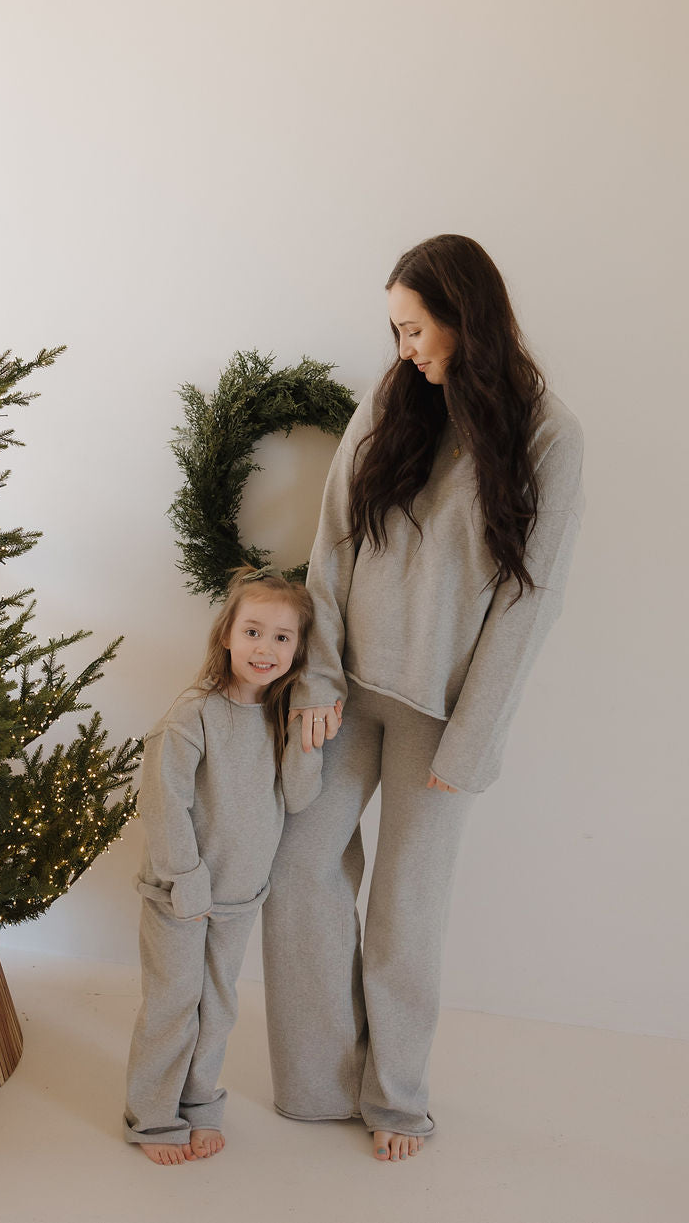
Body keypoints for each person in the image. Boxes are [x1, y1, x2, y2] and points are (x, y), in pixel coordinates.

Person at [262, 234, 584, 1163]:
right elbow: (331, 546)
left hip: (441, 716)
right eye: (396, 330)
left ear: (463, 316)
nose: (405, 348)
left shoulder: (551, 437)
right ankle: (321, 1081)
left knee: (405, 908)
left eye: (415, 328)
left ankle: (397, 1096)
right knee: (299, 868)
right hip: (348, 691)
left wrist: (472, 740)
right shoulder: (394, 399)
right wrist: (316, 676)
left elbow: (532, 603)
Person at [124, 565, 327, 1164]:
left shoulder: (276, 719)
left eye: (282, 637)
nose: (266, 648)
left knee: (218, 1008)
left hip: (241, 897)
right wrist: (186, 882)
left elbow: (297, 801)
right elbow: (161, 802)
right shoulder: (192, 715)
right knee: (173, 1006)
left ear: (298, 649)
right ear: (227, 637)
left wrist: (307, 742)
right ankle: (154, 1119)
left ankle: (199, 1107)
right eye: (254, 632)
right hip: (179, 897)